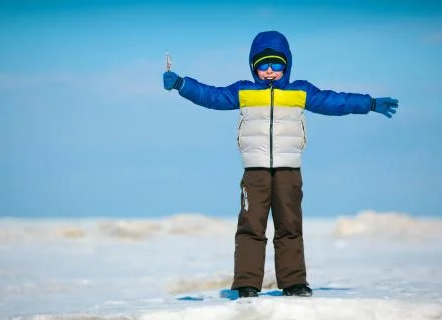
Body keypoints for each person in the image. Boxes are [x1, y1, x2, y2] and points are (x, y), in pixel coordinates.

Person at [162, 30, 398, 298]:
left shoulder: (299, 91)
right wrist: (181, 84)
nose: (270, 71)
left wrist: (370, 103)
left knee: (289, 226)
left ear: (287, 65)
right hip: (255, 172)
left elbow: (336, 101)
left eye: (277, 64)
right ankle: (246, 284)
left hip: (289, 171)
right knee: (251, 226)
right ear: (254, 67)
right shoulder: (244, 92)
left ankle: (294, 283)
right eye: (263, 65)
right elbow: (211, 96)